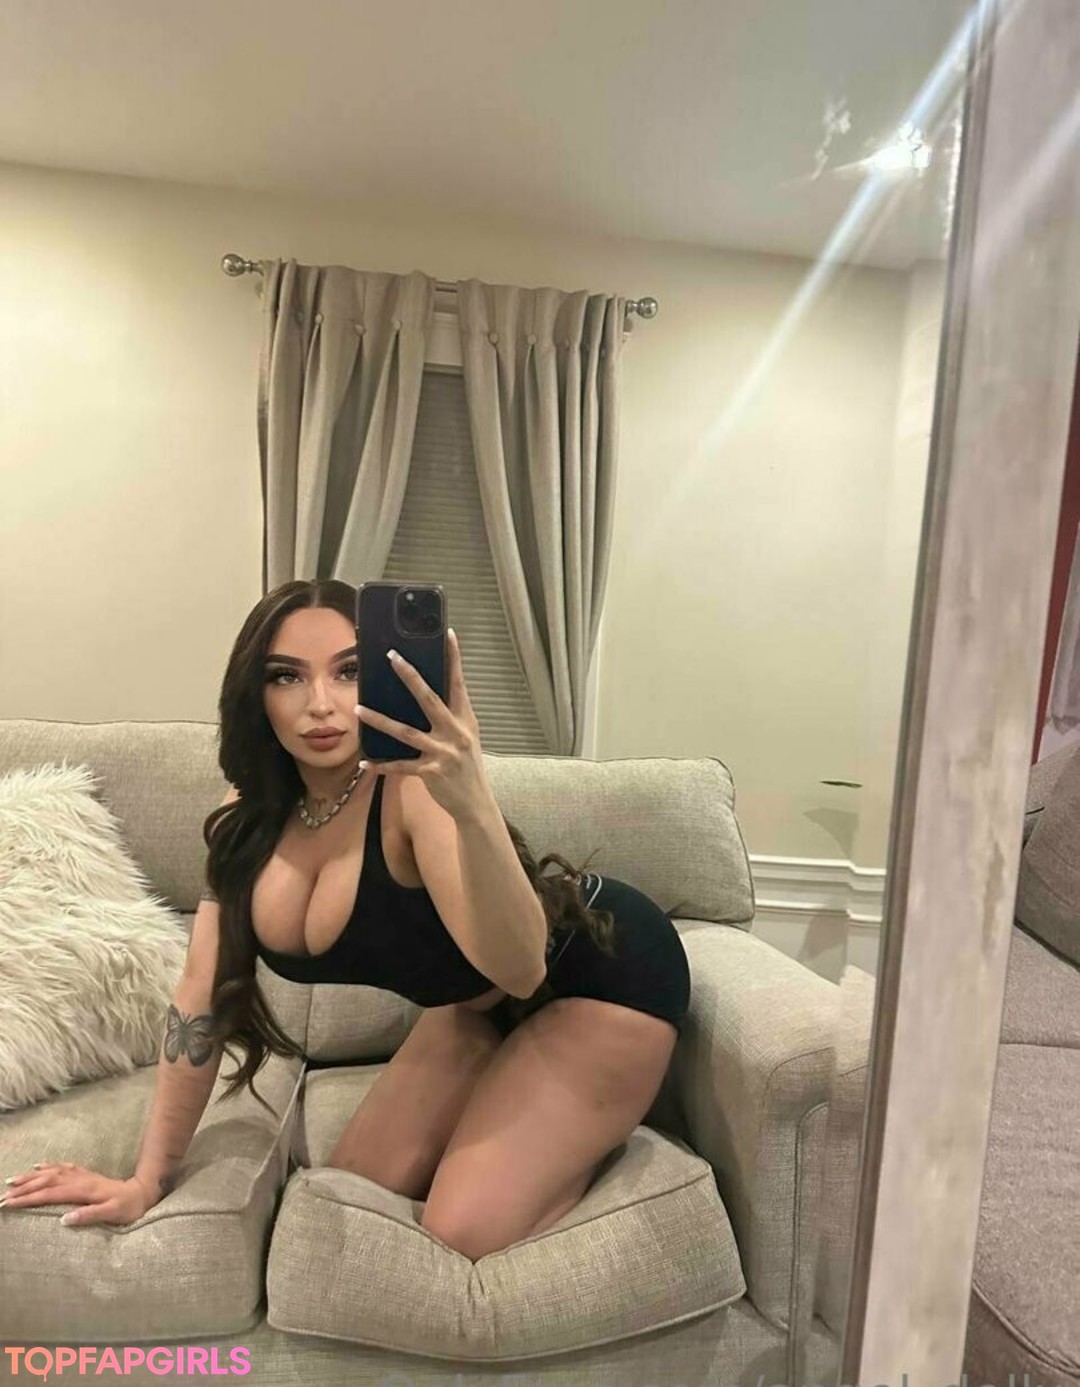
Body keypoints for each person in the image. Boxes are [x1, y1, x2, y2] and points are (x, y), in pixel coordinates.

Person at [2, 580, 690, 1261]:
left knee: (462, 1227)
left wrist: (473, 797)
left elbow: (521, 968)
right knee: (352, 1187)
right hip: (472, 1008)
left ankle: (597, 1126)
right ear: (254, 694)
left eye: (349, 671)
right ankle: (524, 1087)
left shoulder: (411, 788)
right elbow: (199, 995)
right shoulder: (246, 820)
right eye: (286, 676)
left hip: (598, 970)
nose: (320, 704)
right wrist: (146, 1180)